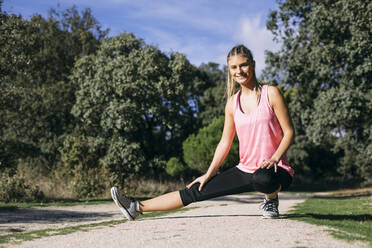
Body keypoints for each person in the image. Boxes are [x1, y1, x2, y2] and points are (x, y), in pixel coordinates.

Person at [110, 44, 295, 220]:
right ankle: (135, 207)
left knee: (263, 178)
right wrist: (209, 173)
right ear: (229, 70)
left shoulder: (271, 93)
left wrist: (275, 158)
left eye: (244, 65)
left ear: (253, 65)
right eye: (234, 67)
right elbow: (225, 142)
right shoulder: (232, 103)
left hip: (276, 170)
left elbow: (289, 132)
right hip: (245, 169)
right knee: (196, 189)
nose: (239, 71)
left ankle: (271, 200)